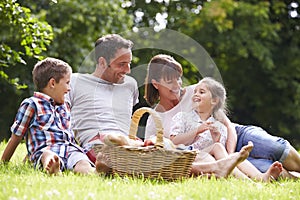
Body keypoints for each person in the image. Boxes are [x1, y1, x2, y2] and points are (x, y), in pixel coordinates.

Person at [144, 54, 300, 179]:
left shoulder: (195, 92)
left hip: (234, 136)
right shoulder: (155, 119)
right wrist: (226, 159)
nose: (177, 85)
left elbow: (226, 123)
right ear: (156, 84)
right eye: (170, 81)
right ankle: (291, 177)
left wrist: (230, 152)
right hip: (212, 154)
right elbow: (158, 152)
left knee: (276, 147)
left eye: (178, 78)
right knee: (268, 168)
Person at [0, 57, 104, 175]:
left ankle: (95, 172)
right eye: (67, 83)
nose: (69, 88)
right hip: (47, 149)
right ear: (53, 83)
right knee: (48, 155)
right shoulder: (32, 104)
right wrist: (4, 163)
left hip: (69, 149)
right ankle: (52, 167)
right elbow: (16, 137)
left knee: (82, 161)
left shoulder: (65, 106)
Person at [169, 77, 283, 181]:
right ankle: (248, 182)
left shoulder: (219, 126)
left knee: (232, 156)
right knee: (223, 153)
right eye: (195, 92)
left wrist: (216, 139)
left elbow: (221, 153)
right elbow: (174, 142)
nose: (195, 94)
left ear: (214, 101)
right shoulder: (183, 117)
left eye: (201, 92)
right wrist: (198, 130)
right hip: (189, 158)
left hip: (210, 160)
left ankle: (261, 177)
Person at [65, 34, 139, 163]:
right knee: (112, 144)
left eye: (129, 63)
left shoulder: (130, 84)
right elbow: (58, 117)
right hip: (97, 145)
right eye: (122, 64)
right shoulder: (74, 81)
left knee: (159, 144)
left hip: (130, 144)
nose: (128, 70)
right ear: (102, 62)